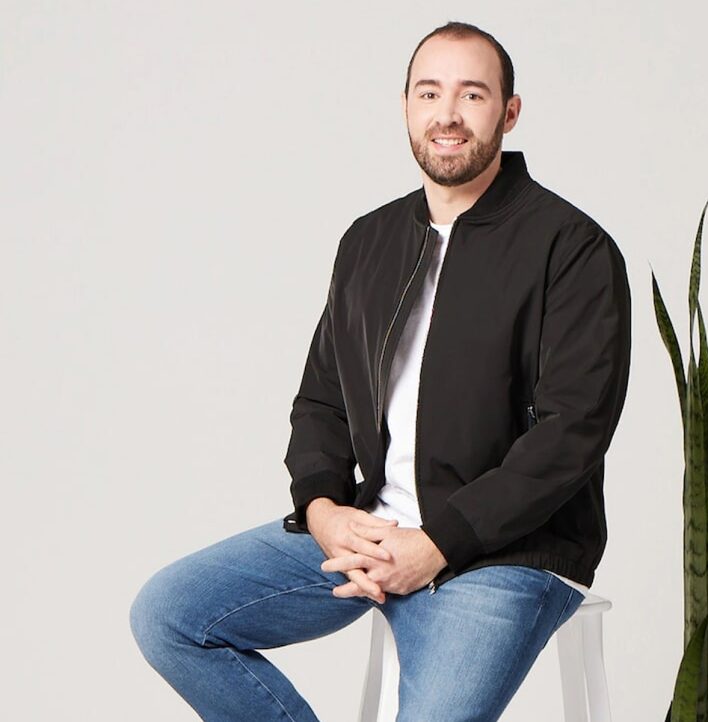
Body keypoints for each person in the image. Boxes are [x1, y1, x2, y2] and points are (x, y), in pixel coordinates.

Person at [130, 20, 632, 721]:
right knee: (170, 617)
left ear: (509, 113)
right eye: (429, 93)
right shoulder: (369, 240)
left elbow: (570, 435)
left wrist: (436, 545)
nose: (447, 114)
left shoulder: (572, 247)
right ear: (405, 107)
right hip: (366, 527)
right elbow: (321, 400)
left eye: (472, 95)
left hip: (502, 554)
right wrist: (324, 510)